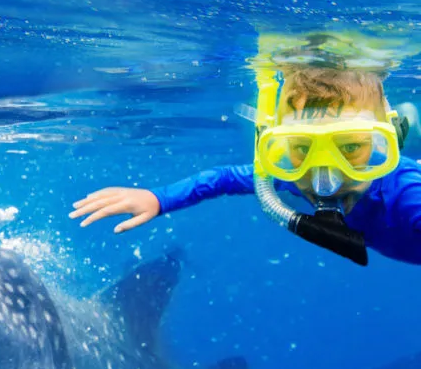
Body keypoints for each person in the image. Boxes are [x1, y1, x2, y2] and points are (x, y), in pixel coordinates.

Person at [69, 64, 421, 266]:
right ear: (277, 144)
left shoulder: (406, 193)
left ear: (384, 142)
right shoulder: (288, 179)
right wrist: (157, 198)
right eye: (302, 148)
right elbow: (221, 178)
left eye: (349, 147)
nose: (324, 176)